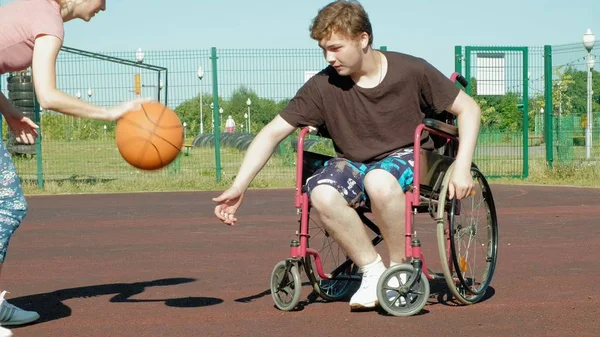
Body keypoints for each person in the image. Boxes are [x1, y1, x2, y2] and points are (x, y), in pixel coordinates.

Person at [213, 0, 481, 311]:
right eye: (324, 49)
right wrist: (239, 185)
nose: (329, 57)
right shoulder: (322, 86)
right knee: (321, 191)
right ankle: (371, 270)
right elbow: (271, 133)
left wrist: (462, 167)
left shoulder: (412, 70)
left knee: (380, 180)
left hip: (408, 157)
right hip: (356, 164)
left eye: (336, 48)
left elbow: (469, 109)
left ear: (363, 39)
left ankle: (398, 270)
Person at [0, 0, 148, 334]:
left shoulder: (30, 6)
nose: (105, 7)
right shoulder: (49, 21)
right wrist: (110, 113)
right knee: (6, 205)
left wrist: (9, 111)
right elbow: (48, 96)